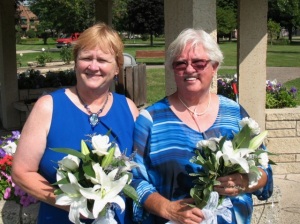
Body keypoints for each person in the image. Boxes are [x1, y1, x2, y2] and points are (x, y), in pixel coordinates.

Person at [131, 28, 273, 224]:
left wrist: (245, 182)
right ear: (173, 69)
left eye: (198, 63)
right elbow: (134, 179)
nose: (189, 70)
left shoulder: (235, 113)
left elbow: (264, 169)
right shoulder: (151, 120)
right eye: (181, 63)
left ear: (214, 67)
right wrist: (167, 209)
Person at [12, 23, 139, 224]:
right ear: (75, 62)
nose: (93, 66)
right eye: (86, 58)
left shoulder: (129, 109)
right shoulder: (49, 107)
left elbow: (139, 171)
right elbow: (21, 172)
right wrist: (73, 203)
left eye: (103, 60)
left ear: (116, 68)